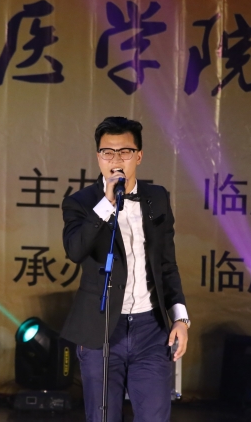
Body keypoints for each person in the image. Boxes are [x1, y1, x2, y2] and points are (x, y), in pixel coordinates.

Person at [60, 116, 190, 422]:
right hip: (101, 327)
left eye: (125, 152)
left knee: (154, 416)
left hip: (151, 328)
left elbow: (167, 263)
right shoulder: (80, 203)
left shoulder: (157, 198)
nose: (116, 160)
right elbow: (75, 250)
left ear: (139, 156)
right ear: (98, 157)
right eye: (107, 152)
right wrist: (106, 204)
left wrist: (180, 318)